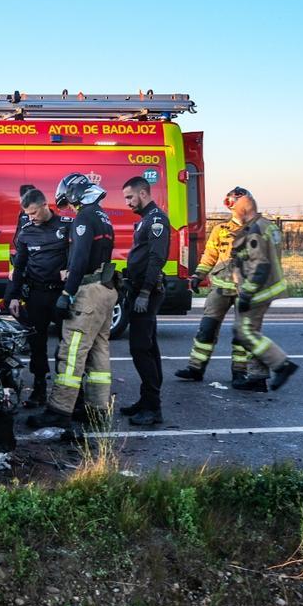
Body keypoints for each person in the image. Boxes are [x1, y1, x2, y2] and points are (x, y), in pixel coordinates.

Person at [27, 173, 117, 429]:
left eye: (68, 198)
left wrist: (67, 294)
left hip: (89, 292)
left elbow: (78, 260)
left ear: (75, 193)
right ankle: (98, 409)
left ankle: (59, 409)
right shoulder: (102, 216)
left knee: (72, 350)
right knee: (99, 350)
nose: (69, 203)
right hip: (107, 289)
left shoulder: (83, 219)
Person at [226, 188, 299, 392]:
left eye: (237, 210)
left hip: (258, 290)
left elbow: (260, 264)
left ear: (245, 210)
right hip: (269, 286)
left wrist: (247, 293)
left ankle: (282, 364)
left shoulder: (254, 230)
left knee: (244, 331)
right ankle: (258, 377)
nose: (235, 214)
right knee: (251, 332)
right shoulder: (269, 226)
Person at [175, 191, 249, 383]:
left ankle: (240, 373)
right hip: (220, 288)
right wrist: (198, 275)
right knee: (206, 329)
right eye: (232, 202)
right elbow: (210, 255)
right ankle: (195, 369)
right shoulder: (221, 229)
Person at [5, 188, 70, 406]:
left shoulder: (66, 227)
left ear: (45, 205)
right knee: (37, 343)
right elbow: (20, 266)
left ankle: (65, 393)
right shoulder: (26, 232)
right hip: (36, 294)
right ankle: (39, 388)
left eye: (33, 213)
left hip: (61, 294)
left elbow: (78, 258)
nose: (31, 218)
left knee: (66, 344)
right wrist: (13, 296)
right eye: (28, 214)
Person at [119, 177, 171, 426]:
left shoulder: (157, 220)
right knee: (149, 347)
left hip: (146, 292)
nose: (127, 202)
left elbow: (156, 258)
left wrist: (144, 293)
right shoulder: (145, 220)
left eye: (130, 197)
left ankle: (153, 408)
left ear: (143, 193)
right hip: (140, 289)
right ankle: (147, 400)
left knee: (140, 349)